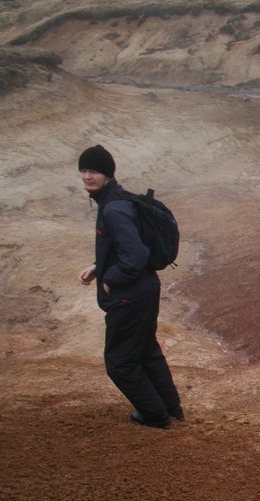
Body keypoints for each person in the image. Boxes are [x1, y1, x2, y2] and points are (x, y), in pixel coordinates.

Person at [77, 145, 183, 429]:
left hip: (130, 297)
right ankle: (171, 409)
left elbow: (135, 256)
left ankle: (154, 415)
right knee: (146, 351)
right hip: (145, 289)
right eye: (83, 171)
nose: (87, 176)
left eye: (93, 171)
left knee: (120, 362)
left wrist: (109, 281)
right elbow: (124, 246)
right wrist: (97, 267)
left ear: (107, 173)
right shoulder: (120, 199)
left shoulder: (113, 208)